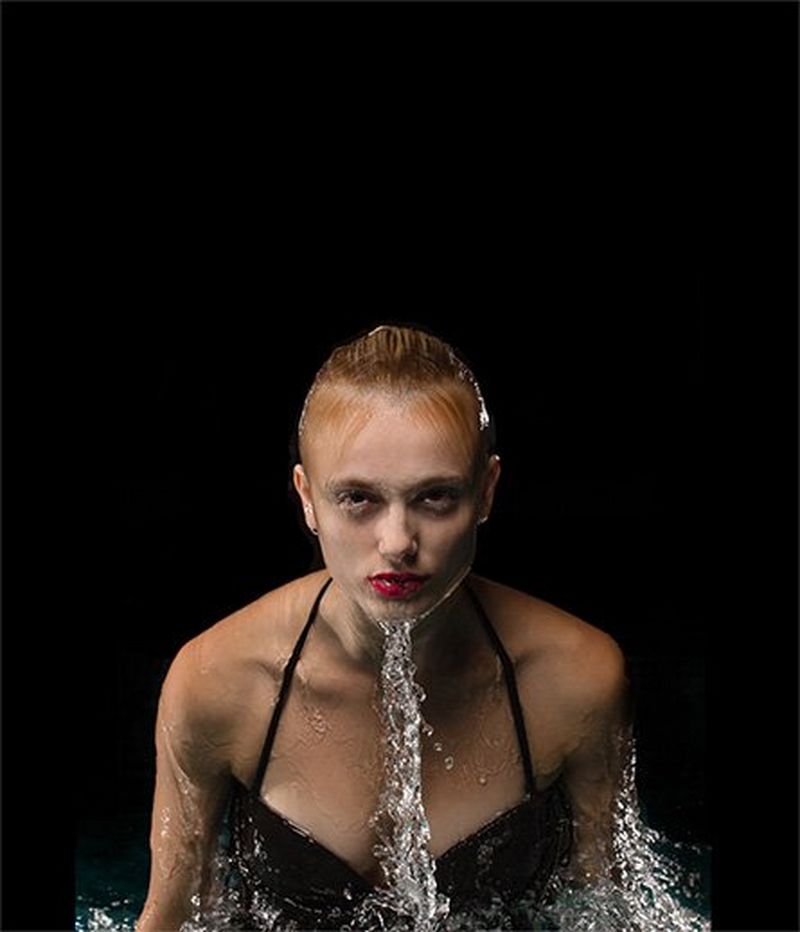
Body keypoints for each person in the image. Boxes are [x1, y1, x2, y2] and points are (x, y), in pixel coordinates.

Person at [136, 325, 629, 931]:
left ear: (487, 492)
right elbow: (168, 918)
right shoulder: (217, 681)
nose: (398, 543)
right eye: (359, 499)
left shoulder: (575, 679)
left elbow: (607, 911)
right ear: (307, 499)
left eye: (436, 497)